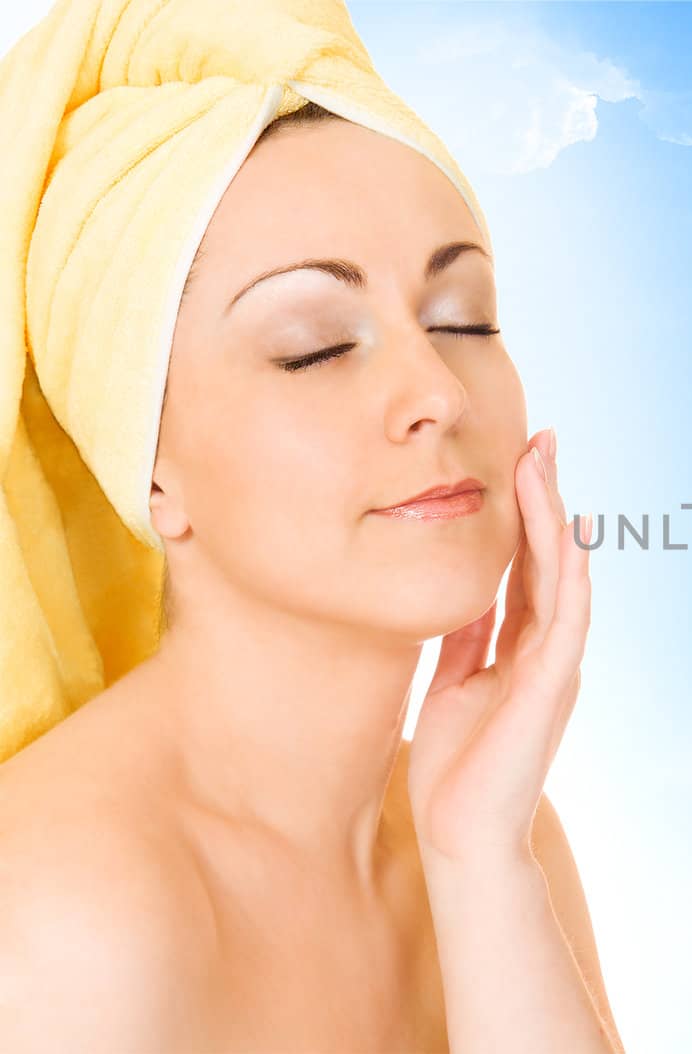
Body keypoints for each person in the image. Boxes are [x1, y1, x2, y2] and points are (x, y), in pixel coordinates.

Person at [0, 70, 622, 1054]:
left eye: (461, 320)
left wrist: (479, 866)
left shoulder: (490, 827)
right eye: (317, 346)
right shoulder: (63, 915)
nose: (434, 393)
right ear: (149, 471)